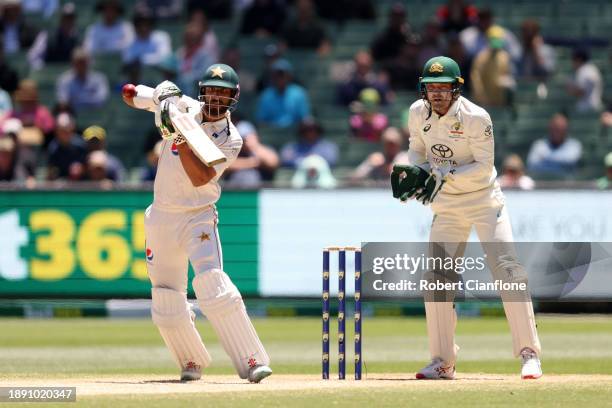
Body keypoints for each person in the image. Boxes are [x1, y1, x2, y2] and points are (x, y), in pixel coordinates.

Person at [393, 56, 542, 380]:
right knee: (436, 280)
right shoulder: (417, 113)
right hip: (446, 206)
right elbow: (416, 150)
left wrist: (441, 175)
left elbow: (484, 167)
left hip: (484, 201)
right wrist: (418, 174)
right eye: (431, 87)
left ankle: (529, 353)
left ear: (456, 89)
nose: (437, 94)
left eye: (444, 87)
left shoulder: (477, 117)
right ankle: (442, 361)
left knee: (509, 272)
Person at [122, 63, 272, 383]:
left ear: (234, 96)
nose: (216, 97)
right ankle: (190, 359)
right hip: (162, 216)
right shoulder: (185, 107)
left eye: (223, 92)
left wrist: (177, 132)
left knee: (212, 286)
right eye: (212, 90)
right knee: (164, 296)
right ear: (203, 91)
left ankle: (251, 359)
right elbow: (130, 94)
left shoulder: (232, 139)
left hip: (197, 215)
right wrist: (159, 97)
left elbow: (200, 175)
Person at [256, 59, 311, 128]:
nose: (280, 78)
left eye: (282, 75)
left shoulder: (299, 93)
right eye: (277, 75)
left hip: (295, 134)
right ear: (272, 77)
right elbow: (261, 121)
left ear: (289, 76)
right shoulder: (266, 95)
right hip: (272, 134)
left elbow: (305, 118)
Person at [56, 48, 109, 112]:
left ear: (89, 62)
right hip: (73, 116)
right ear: (73, 63)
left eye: (83, 62)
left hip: (96, 115)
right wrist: (90, 98)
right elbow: (63, 102)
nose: (81, 65)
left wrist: (75, 100)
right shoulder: (64, 80)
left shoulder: (99, 79)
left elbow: (101, 100)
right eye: (78, 62)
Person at [566, 48, 603, 113]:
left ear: (578, 59)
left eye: (573, 60)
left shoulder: (583, 70)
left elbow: (581, 91)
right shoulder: (592, 68)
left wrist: (570, 88)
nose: (572, 62)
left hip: (587, 108)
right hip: (594, 105)